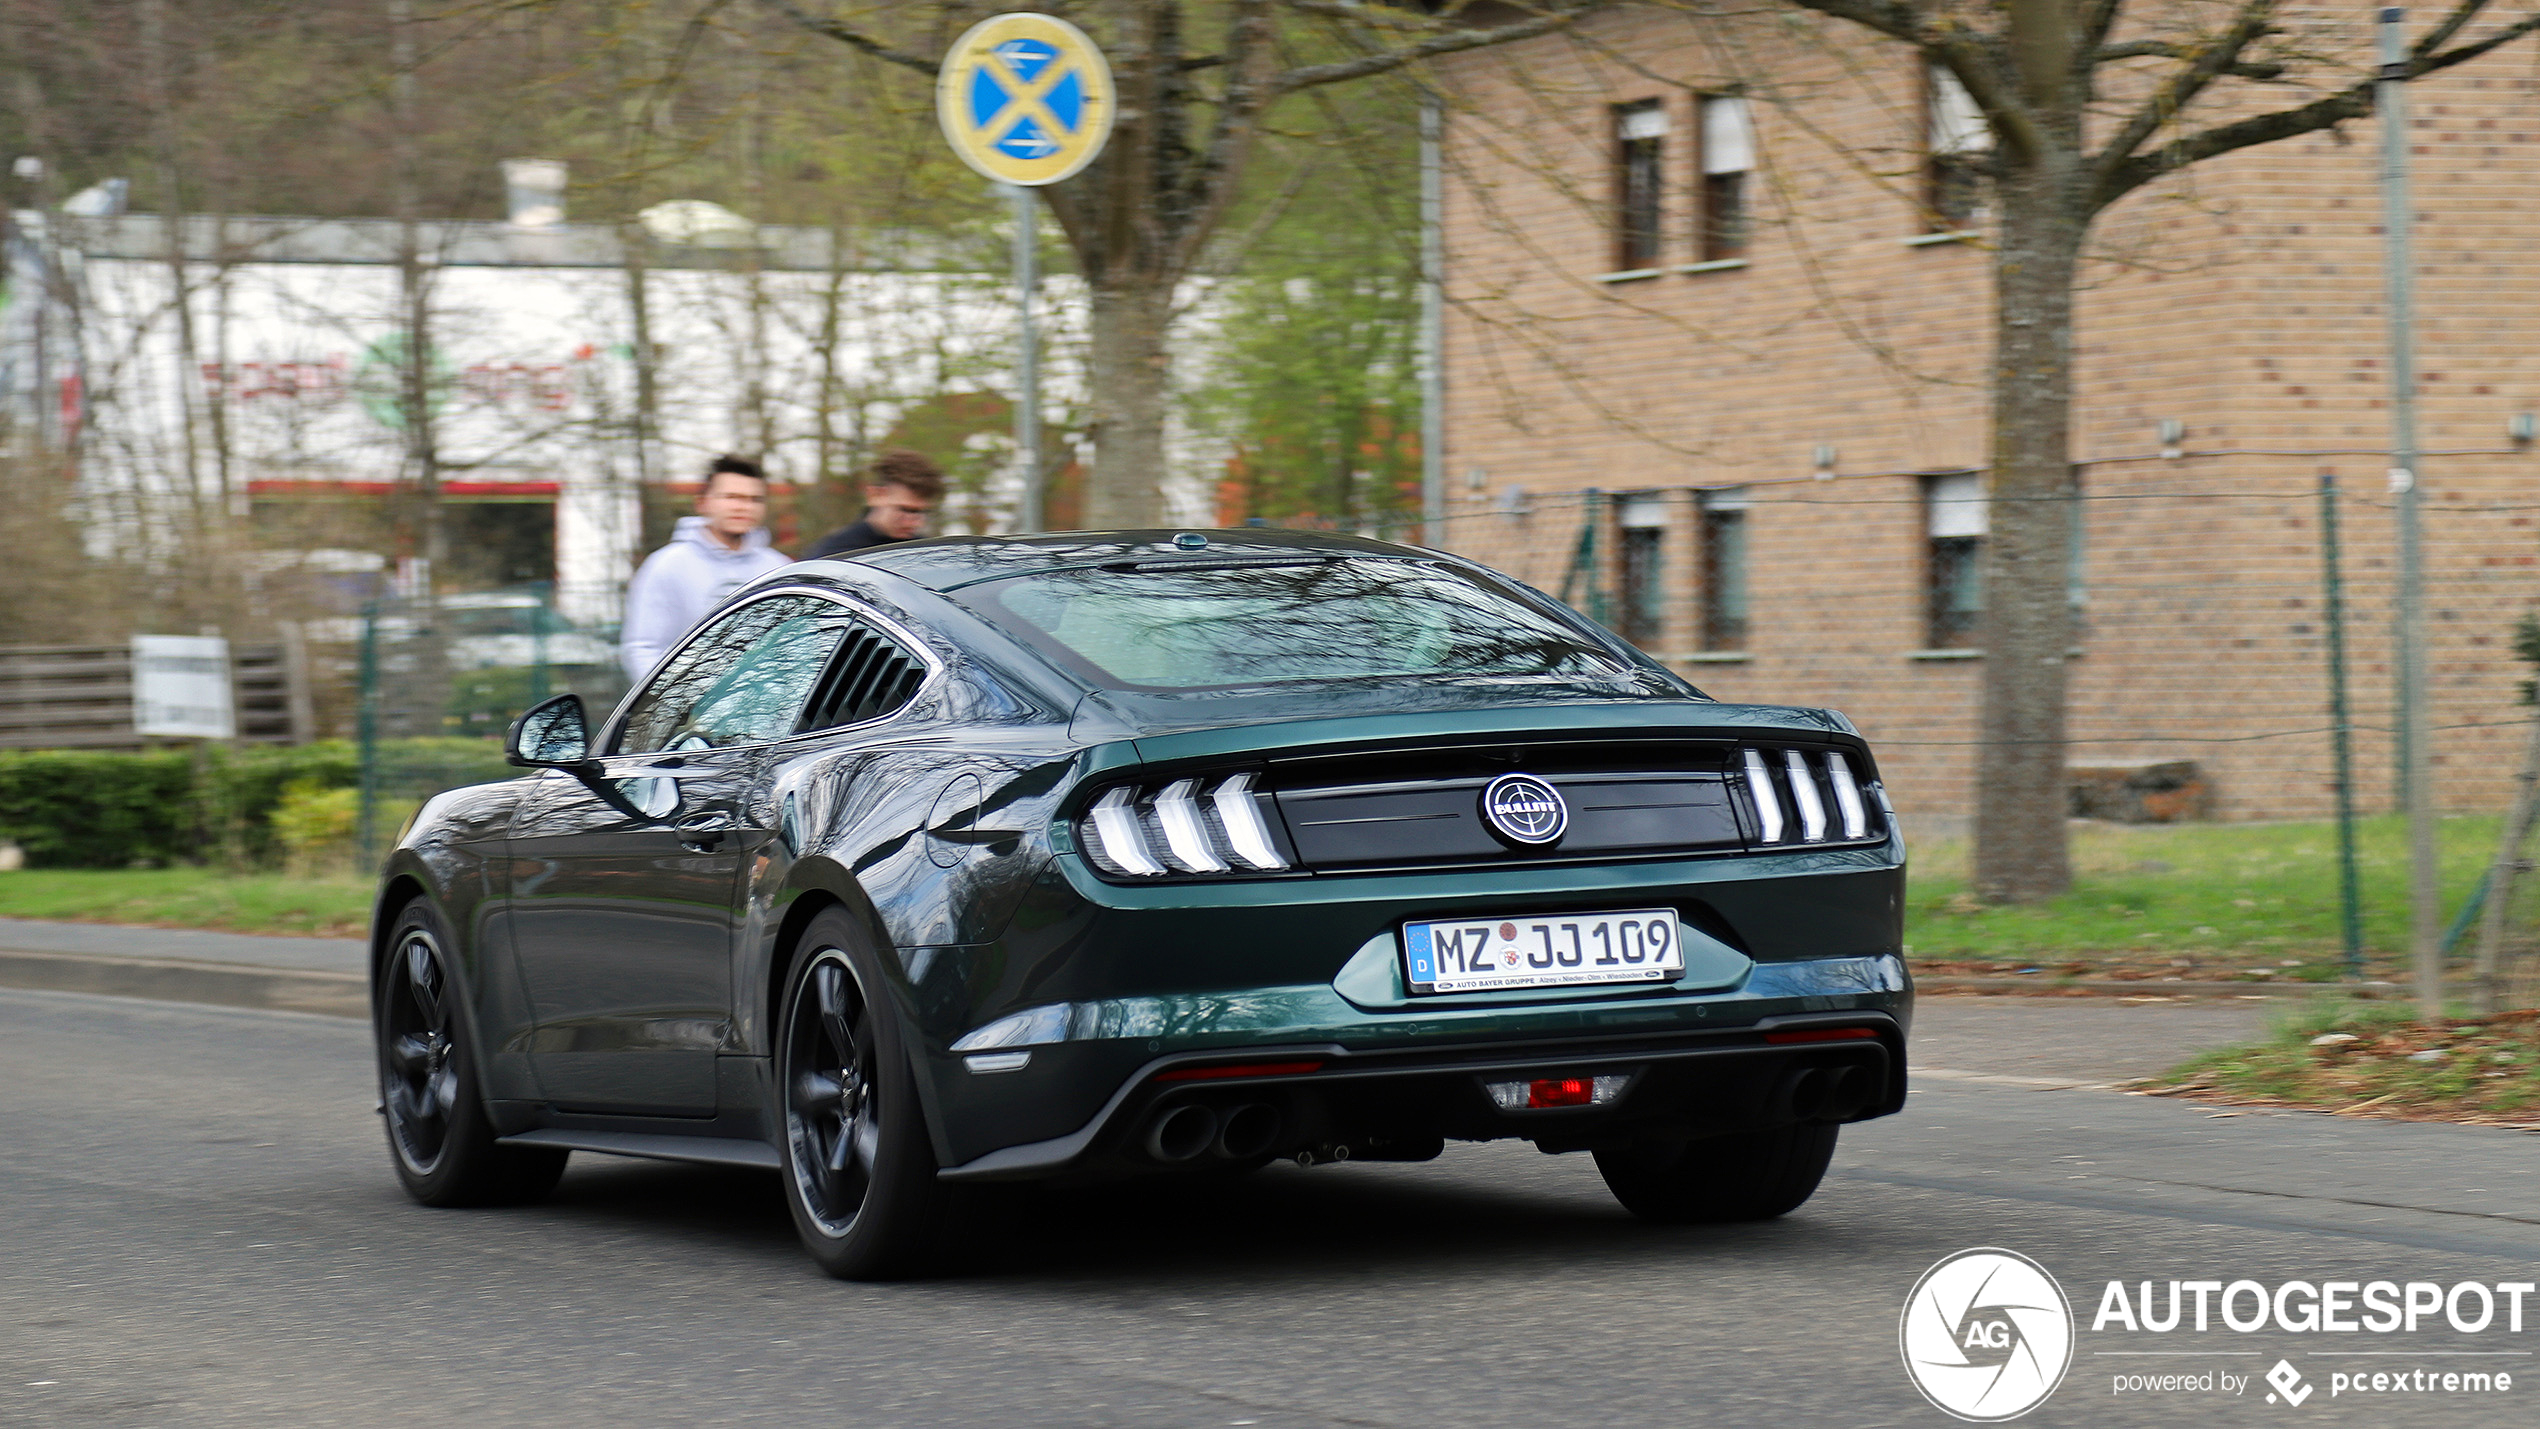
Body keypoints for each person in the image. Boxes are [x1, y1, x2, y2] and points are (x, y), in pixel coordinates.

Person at [619, 455, 792, 682]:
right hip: (690, 712)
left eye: (754, 499)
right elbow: (642, 648)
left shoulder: (779, 568)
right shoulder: (665, 566)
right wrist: (675, 710)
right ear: (702, 503)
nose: (743, 506)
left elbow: (794, 646)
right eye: (731, 497)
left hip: (767, 709)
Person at [804, 449, 943, 559]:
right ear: (875, 495)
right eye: (905, 509)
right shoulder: (835, 556)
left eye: (921, 512)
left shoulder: (926, 554)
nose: (915, 522)